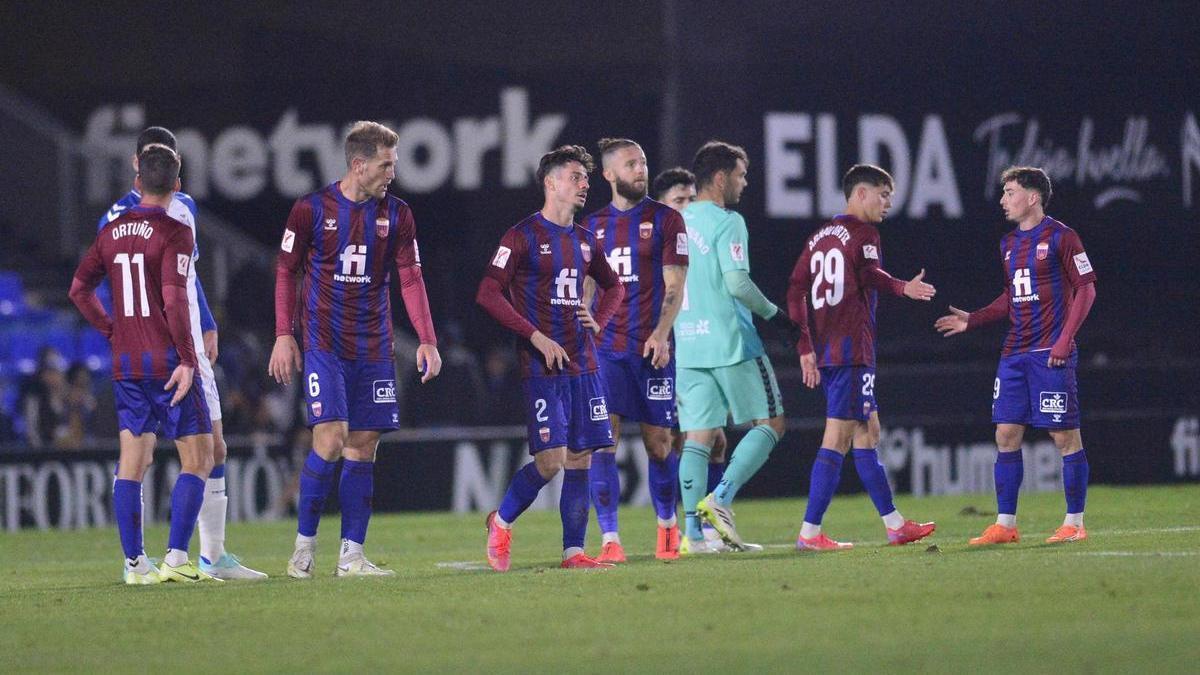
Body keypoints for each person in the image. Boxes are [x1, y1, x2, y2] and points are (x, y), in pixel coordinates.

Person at [270, 121, 442, 577]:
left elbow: (410, 276)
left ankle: (351, 555)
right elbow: (287, 272)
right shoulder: (310, 210)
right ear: (358, 164)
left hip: (374, 346)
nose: (393, 173)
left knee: (363, 445)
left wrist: (427, 338)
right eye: (386, 165)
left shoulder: (398, 214)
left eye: (395, 164)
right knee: (329, 438)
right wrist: (283, 334)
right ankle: (303, 548)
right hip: (324, 341)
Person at [100, 126, 264, 580]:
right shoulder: (117, 219)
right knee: (158, 455)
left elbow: (187, 276)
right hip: (159, 353)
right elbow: (114, 288)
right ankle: (172, 557)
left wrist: (208, 322)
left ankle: (212, 556)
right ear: (138, 164)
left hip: (190, 339)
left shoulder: (186, 209)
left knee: (216, 448)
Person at [69, 143, 218, 584]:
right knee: (199, 456)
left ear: (138, 183)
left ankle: (135, 564)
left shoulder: (110, 230)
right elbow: (174, 300)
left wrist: (111, 330)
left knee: (132, 459)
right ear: (177, 184)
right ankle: (175, 557)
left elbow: (78, 291)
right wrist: (189, 359)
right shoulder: (176, 232)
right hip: (169, 361)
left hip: (127, 361)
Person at [476, 144, 625, 571]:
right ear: (551, 182)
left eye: (586, 178)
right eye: (576, 176)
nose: (584, 185)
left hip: (584, 361)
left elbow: (615, 287)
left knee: (581, 456)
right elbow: (487, 293)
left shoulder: (583, 240)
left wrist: (598, 319)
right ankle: (501, 521)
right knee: (550, 461)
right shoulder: (521, 236)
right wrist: (535, 335)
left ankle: (573, 552)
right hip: (541, 365)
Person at [935, 166, 1097, 545]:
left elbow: (1086, 289)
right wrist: (973, 320)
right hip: (1014, 354)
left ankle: (1074, 523)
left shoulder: (1062, 237)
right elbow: (1013, 296)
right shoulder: (1008, 243)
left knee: (1063, 436)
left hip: (1050, 353)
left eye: (1010, 192)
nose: (1003, 200)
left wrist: (1064, 340)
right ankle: (1005, 525)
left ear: (1032, 196)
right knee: (1006, 434)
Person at [786, 164, 938, 550]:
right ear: (860, 194)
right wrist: (904, 288)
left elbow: (794, 290)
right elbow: (871, 274)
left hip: (830, 350)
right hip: (851, 350)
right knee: (837, 437)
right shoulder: (863, 232)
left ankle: (895, 524)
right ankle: (810, 532)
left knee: (868, 430)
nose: (888, 202)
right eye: (883, 194)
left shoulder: (819, 236)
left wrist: (805, 345)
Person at [674, 140, 796, 553]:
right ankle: (721, 499)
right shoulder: (729, 222)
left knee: (697, 438)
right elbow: (737, 283)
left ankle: (693, 536)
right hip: (730, 340)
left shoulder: (677, 220)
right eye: (741, 175)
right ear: (721, 178)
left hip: (688, 343)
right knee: (772, 423)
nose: (745, 184)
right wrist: (776, 316)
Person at [581, 139, 688, 562]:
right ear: (609, 174)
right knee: (602, 442)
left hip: (652, 348)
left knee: (659, 443)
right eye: (630, 163)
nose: (640, 169)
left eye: (642, 161)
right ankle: (610, 539)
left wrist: (662, 333)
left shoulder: (667, 220)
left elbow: (676, 286)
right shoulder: (591, 227)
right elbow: (586, 291)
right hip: (606, 351)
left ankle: (666, 525)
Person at [652, 167, 729, 550]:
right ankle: (684, 529)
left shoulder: (699, 244)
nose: (687, 208)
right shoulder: (656, 245)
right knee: (680, 441)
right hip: (670, 355)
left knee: (715, 441)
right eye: (678, 201)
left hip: (699, 350)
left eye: (689, 199)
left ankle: (704, 526)